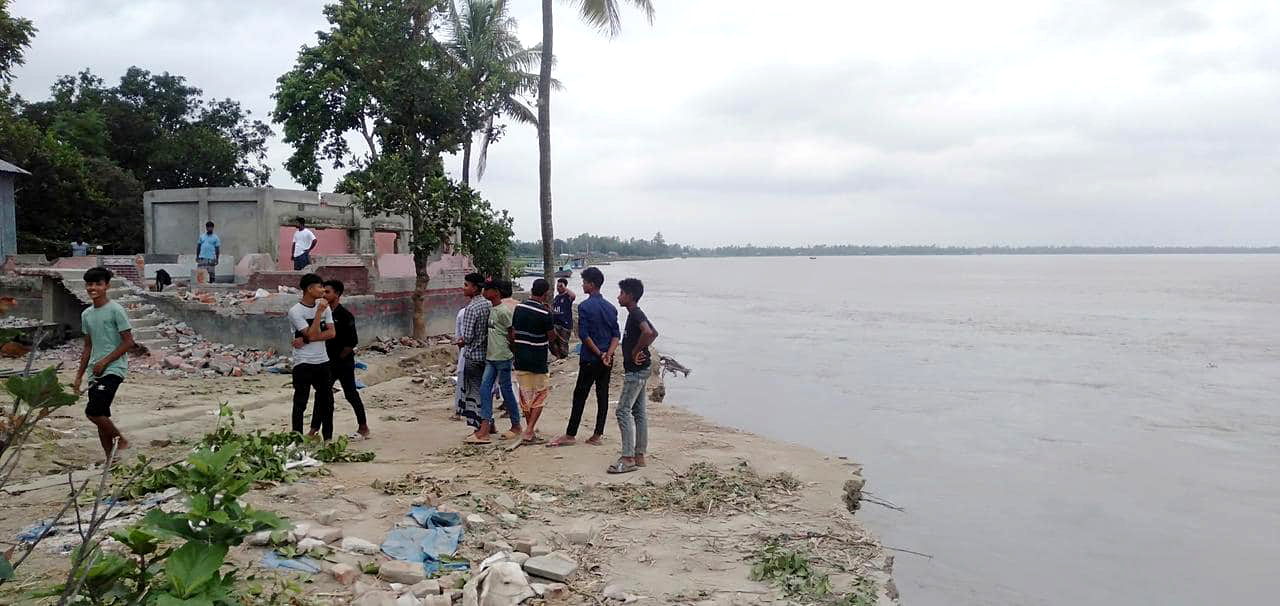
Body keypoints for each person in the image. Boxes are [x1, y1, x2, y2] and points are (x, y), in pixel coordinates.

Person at [548, 267, 619, 447]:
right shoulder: (611, 308)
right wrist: (608, 354)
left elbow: (584, 336)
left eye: (585, 282)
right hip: (606, 360)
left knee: (580, 395)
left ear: (591, 284)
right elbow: (616, 335)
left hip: (590, 359)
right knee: (602, 394)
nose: (582, 285)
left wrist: (598, 353)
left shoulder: (585, 306)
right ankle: (597, 434)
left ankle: (571, 434)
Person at [73, 267, 135, 458]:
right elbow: (87, 347)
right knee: (102, 416)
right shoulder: (87, 315)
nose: (93, 288)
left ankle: (121, 440)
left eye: (98, 284)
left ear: (106, 286)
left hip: (113, 369)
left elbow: (128, 342)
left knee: (93, 412)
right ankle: (111, 459)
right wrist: (78, 376)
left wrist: (105, 361)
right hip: (95, 371)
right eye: (89, 284)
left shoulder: (115, 310)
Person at [607, 278, 659, 474]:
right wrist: (641, 348)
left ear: (629, 295)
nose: (618, 296)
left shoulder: (636, 313)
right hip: (641, 369)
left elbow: (648, 333)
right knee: (638, 412)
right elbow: (653, 333)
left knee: (622, 410)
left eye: (621, 293)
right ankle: (639, 455)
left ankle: (628, 457)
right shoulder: (635, 314)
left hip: (636, 371)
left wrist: (636, 350)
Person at [289, 273, 336, 440]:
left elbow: (331, 333)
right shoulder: (296, 311)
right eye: (319, 287)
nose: (322, 290)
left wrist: (306, 339)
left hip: (322, 361)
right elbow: (311, 331)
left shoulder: (326, 307)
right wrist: (318, 314)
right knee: (300, 402)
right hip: (303, 362)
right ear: (309, 289)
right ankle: (297, 438)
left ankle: (328, 438)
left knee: (327, 401)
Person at [321, 279, 370, 438]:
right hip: (326, 361)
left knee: (350, 393)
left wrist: (339, 358)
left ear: (337, 294)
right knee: (323, 396)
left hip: (343, 362)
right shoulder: (323, 314)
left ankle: (363, 427)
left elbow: (352, 342)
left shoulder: (345, 315)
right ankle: (320, 431)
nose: (324, 295)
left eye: (327, 292)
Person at [512, 278, 557, 443]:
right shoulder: (545, 313)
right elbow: (551, 336)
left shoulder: (519, 308)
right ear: (545, 294)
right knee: (539, 395)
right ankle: (529, 430)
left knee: (525, 395)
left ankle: (528, 428)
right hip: (538, 359)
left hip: (521, 357)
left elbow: (514, 331)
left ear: (532, 290)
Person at [478, 279, 521, 442]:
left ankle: (516, 424)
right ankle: (486, 426)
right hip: (491, 356)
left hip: (502, 356)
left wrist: (512, 352)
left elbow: (512, 333)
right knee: (485, 389)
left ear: (496, 292)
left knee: (506, 390)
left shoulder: (503, 311)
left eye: (487, 289)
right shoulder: (491, 309)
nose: (484, 292)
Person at [455, 272, 491, 441]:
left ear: (475, 288)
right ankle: (489, 423)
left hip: (473, 356)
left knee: (475, 393)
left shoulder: (470, 309)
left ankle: (479, 428)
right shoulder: (488, 304)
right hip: (487, 355)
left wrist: (461, 341)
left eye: (466, 285)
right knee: (486, 391)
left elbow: (468, 337)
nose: (464, 288)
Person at [550, 277, 575, 359]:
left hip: (565, 324)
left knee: (563, 343)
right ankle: (558, 356)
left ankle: (564, 357)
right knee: (553, 341)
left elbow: (573, 296)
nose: (558, 288)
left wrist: (565, 288)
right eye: (557, 286)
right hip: (556, 323)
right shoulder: (556, 297)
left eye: (560, 286)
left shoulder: (567, 296)